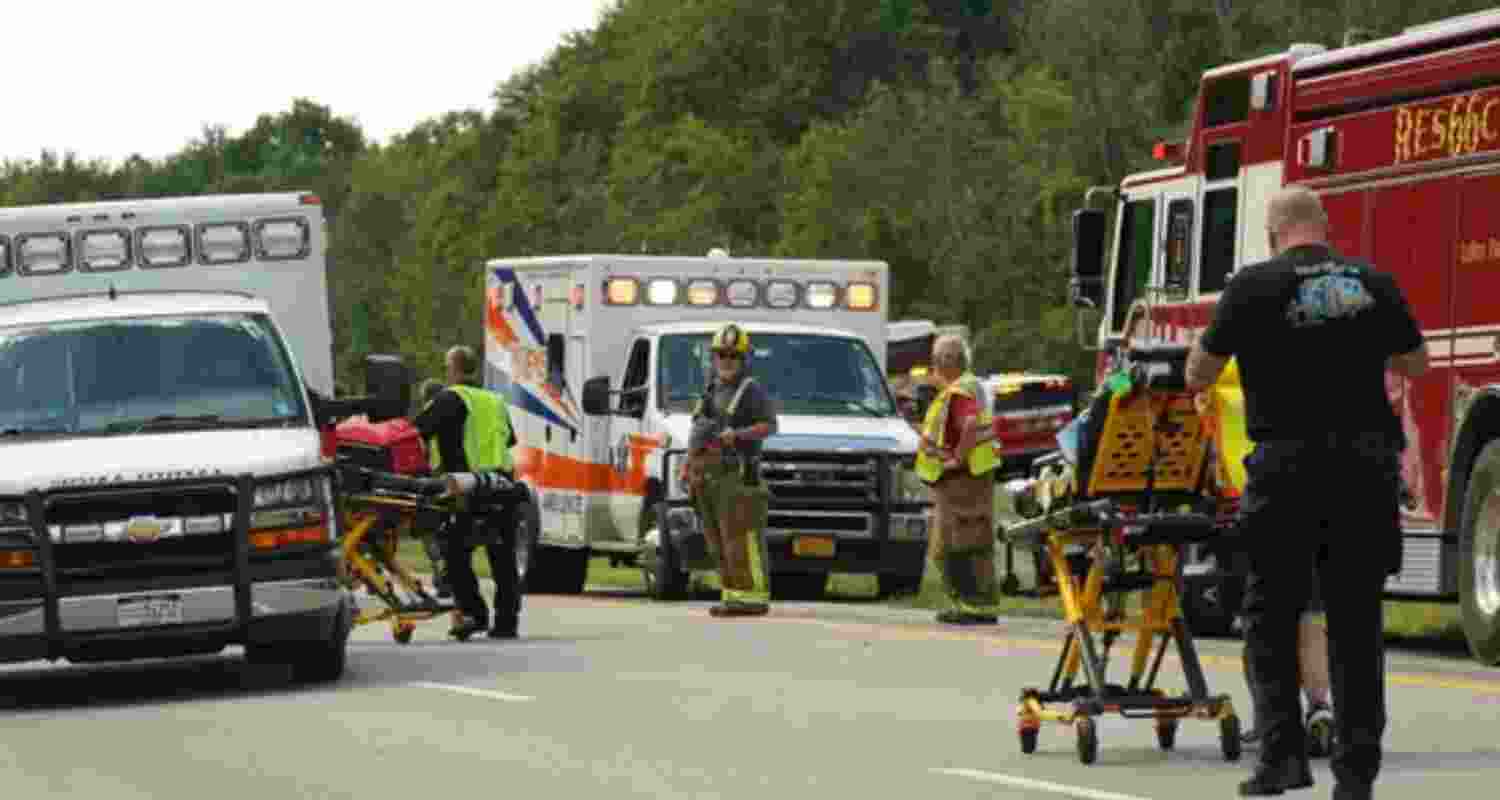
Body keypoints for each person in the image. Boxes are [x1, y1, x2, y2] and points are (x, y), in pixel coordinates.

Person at [1185, 185, 1427, 799]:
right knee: (1355, 622)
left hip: (1287, 473)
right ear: (1324, 227)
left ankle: (1282, 758)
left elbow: (1201, 371)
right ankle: (1356, 774)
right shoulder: (1372, 281)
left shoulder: (1252, 286)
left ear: (1272, 234)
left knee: (1270, 615)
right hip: (1364, 470)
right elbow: (1416, 361)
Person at [413, 345, 525, 640]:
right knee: (503, 558)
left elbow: (417, 431)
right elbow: (509, 440)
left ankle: (475, 613)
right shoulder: (495, 400)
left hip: (468, 488)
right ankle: (507, 623)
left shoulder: (450, 398)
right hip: (501, 484)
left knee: (455, 553)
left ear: (453, 369)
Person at [678, 323, 779, 616]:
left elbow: (770, 426)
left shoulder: (752, 390)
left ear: (744, 359)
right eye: (720, 355)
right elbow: (698, 431)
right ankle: (732, 596)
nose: (725, 361)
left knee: (743, 540)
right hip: (709, 477)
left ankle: (754, 597)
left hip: (739, 476)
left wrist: (739, 435)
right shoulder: (712, 389)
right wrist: (688, 466)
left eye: (732, 356)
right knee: (718, 541)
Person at [914, 334, 1002, 625]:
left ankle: (971, 606)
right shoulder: (967, 386)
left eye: (937, 360)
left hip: (962, 480)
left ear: (948, 362)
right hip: (968, 478)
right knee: (968, 540)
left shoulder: (961, 390)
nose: (934, 365)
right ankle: (975, 605)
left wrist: (956, 459)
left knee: (955, 543)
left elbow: (969, 424)